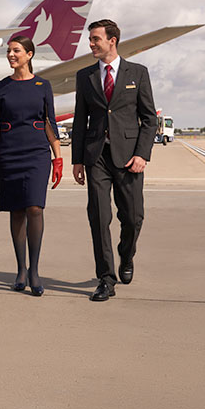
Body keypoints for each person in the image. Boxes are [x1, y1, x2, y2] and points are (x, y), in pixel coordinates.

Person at [71, 19, 157, 302]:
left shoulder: (138, 73)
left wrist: (142, 154)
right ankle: (106, 279)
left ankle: (126, 255)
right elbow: (80, 120)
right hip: (96, 156)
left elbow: (149, 119)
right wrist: (77, 160)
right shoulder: (85, 76)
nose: (91, 43)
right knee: (98, 217)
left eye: (96, 39)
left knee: (133, 218)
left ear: (112, 40)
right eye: (91, 39)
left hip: (130, 157)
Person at [0, 36, 62, 297]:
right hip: (8, 153)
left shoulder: (43, 85)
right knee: (16, 211)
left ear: (29, 54)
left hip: (37, 153)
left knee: (34, 208)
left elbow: (50, 122)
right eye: (9, 51)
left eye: (16, 51)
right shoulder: (1, 87)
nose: (10, 55)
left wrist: (58, 157)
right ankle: (20, 269)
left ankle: (35, 270)